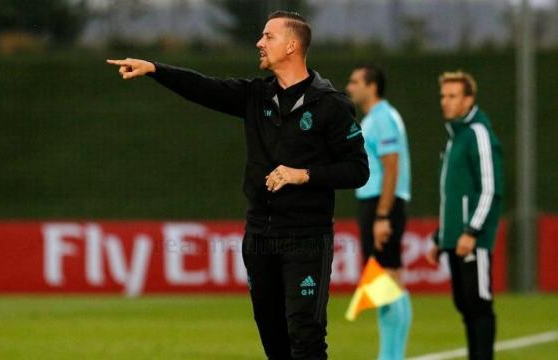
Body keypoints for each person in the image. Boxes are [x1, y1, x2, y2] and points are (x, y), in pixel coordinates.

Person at [107, 11, 369, 359]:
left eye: (268, 37)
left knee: (305, 337)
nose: (259, 43)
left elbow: (358, 170)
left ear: (292, 46)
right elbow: (204, 87)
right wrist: (156, 69)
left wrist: (302, 173)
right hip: (259, 236)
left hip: (306, 238)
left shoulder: (332, 105)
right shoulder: (256, 96)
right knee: (274, 341)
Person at [426, 71, 503, 360]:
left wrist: (471, 232)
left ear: (469, 99)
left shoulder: (478, 134)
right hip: (454, 237)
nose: (445, 102)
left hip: (473, 239)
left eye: (453, 96)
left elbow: (490, 188)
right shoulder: (454, 137)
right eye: (443, 96)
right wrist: (440, 236)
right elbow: (453, 195)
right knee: (465, 304)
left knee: (479, 303)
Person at [346, 65, 412, 360]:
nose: (349, 87)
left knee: (384, 282)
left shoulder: (383, 118)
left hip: (380, 203)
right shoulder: (379, 117)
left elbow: (392, 166)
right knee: (391, 281)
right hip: (382, 202)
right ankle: (392, 355)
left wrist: (383, 215)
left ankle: (389, 357)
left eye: (355, 82)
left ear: (372, 87)